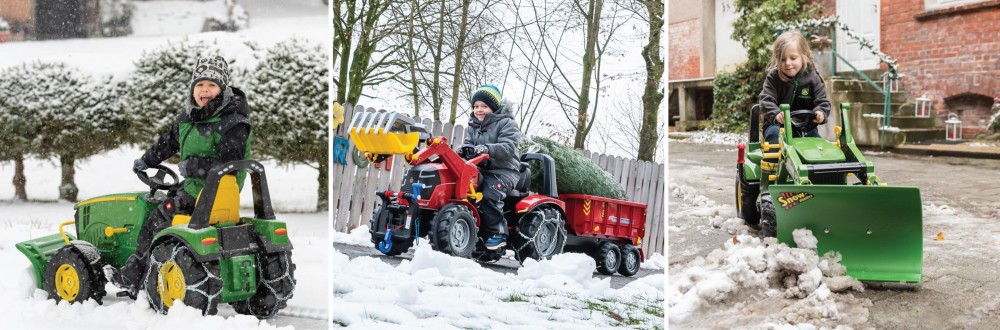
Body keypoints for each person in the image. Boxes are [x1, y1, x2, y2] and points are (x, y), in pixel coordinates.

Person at [105, 55, 252, 295]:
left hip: (215, 191)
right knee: (173, 195)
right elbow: (168, 143)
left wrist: (193, 167)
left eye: (212, 85)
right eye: (200, 85)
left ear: (223, 89)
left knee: (155, 220)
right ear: (193, 89)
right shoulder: (188, 119)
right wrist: (147, 160)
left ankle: (133, 275)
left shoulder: (232, 123)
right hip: (197, 187)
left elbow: (231, 164)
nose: (205, 90)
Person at [458, 85, 521, 250]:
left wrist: (487, 148)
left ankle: (497, 233)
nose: (479, 110)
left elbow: (508, 148)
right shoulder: (473, 125)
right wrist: (463, 151)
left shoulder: (507, 123)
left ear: (494, 107)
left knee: (488, 194)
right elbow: (469, 145)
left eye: (484, 106)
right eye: (476, 106)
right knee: (461, 190)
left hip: (504, 171)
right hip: (480, 169)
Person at [759, 30, 831, 144]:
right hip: (777, 125)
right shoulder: (773, 78)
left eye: (793, 58)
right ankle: (771, 162)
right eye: (782, 59)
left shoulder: (813, 78)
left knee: (817, 146)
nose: (787, 63)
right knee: (773, 137)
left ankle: (813, 162)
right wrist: (775, 114)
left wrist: (820, 112)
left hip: (805, 127)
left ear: (804, 56)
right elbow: (766, 100)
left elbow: (822, 102)